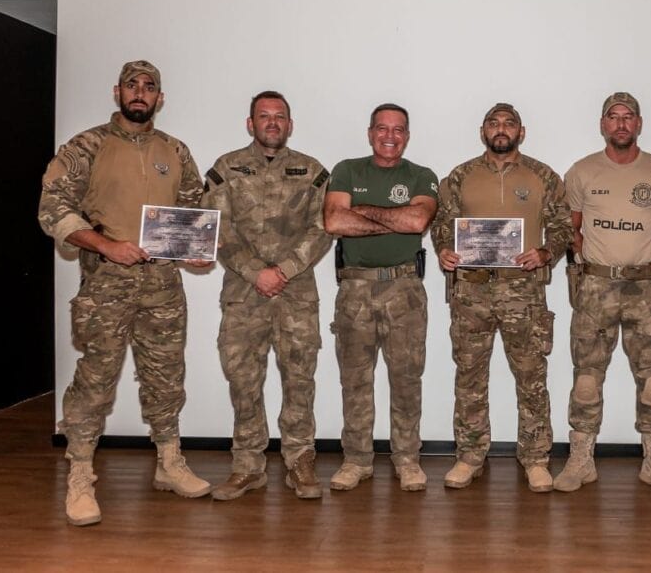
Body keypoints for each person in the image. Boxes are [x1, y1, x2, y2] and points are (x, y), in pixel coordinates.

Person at [38, 60, 212, 526]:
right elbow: (53, 209)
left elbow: (193, 209)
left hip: (162, 286)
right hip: (106, 285)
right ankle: (79, 475)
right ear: (117, 92)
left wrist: (195, 249)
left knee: (166, 377)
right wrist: (106, 245)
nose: (140, 93)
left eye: (149, 87)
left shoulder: (175, 150)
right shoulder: (86, 146)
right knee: (95, 381)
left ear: (160, 97)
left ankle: (169, 462)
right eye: (132, 85)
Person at [431, 102, 572, 493]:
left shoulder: (543, 175)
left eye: (509, 123)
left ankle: (536, 458)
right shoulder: (460, 176)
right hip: (471, 290)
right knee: (470, 377)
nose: (501, 129)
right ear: (482, 131)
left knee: (531, 377)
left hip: (523, 292)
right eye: (493, 123)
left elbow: (563, 226)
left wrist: (545, 253)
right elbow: (443, 223)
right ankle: (470, 455)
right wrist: (444, 248)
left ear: (521, 132)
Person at [202, 90, 332, 501]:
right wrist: (256, 271)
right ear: (250, 123)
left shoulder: (312, 171)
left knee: (299, 380)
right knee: (243, 381)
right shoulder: (226, 168)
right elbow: (217, 228)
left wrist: (284, 270)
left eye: (280, 117)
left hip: (296, 294)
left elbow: (323, 227)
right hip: (243, 294)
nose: (272, 123)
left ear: (290, 125)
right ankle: (247, 467)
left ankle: (299, 462)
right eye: (264, 116)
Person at [553, 92, 651, 495]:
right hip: (595, 288)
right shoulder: (582, 171)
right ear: (603, 124)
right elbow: (570, 229)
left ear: (639, 124)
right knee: (587, 379)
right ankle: (581, 460)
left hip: (644, 288)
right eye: (614, 117)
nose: (621, 124)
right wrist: (589, 265)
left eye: (629, 117)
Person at [323, 103, 438, 492]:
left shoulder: (421, 176)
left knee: (406, 379)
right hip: (354, 288)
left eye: (399, 129)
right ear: (370, 132)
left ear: (408, 135)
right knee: (355, 380)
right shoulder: (346, 170)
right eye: (382, 128)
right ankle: (357, 460)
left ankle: (407, 458)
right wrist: (393, 217)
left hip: (404, 289)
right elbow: (334, 221)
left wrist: (363, 213)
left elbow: (417, 221)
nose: (390, 136)